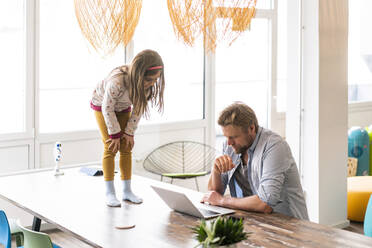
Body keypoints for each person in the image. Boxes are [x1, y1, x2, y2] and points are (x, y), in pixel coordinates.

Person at [202, 102, 309, 220]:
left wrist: (222, 200)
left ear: (251, 128)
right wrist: (216, 171)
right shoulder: (230, 145)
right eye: (226, 137)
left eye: (233, 137)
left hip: (289, 227)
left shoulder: (274, 146)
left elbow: (265, 203)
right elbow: (213, 195)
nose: (228, 143)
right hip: (255, 223)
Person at [91, 49, 165, 207]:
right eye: (150, 80)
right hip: (102, 106)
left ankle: (126, 191)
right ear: (139, 75)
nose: (152, 84)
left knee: (127, 147)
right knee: (111, 147)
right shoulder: (117, 82)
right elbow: (107, 109)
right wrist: (115, 135)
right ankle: (110, 192)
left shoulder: (145, 87)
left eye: (155, 80)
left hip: (123, 107)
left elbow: (137, 110)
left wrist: (129, 133)